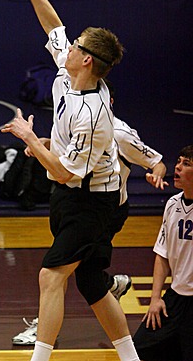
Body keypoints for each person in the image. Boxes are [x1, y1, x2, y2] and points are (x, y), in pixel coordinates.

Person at [0, 0, 159, 361]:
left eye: (76, 44)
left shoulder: (92, 115)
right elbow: (54, 25)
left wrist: (31, 139)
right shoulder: (69, 70)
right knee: (93, 283)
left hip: (90, 202)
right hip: (73, 194)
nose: (68, 44)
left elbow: (62, 171)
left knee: (51, 276)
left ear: (87, 60)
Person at [12, 79, 168, 346]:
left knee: (57, 269)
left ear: (107, 102)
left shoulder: (120, 132)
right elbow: (70, 156)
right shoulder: (78, 118)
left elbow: (157, 162)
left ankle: (44, 336)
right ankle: (114, 297)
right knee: (84, 275)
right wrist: (46, 144)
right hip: (75, 204)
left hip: (104, 210)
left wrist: (156, 175)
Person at [133, 145, 193, 361]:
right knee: (140, 354)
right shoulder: (172, 204)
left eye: (186, 163)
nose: (177, 167)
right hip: (175, 298)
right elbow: (162, 254)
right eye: (178, 161)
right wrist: (156, 297)